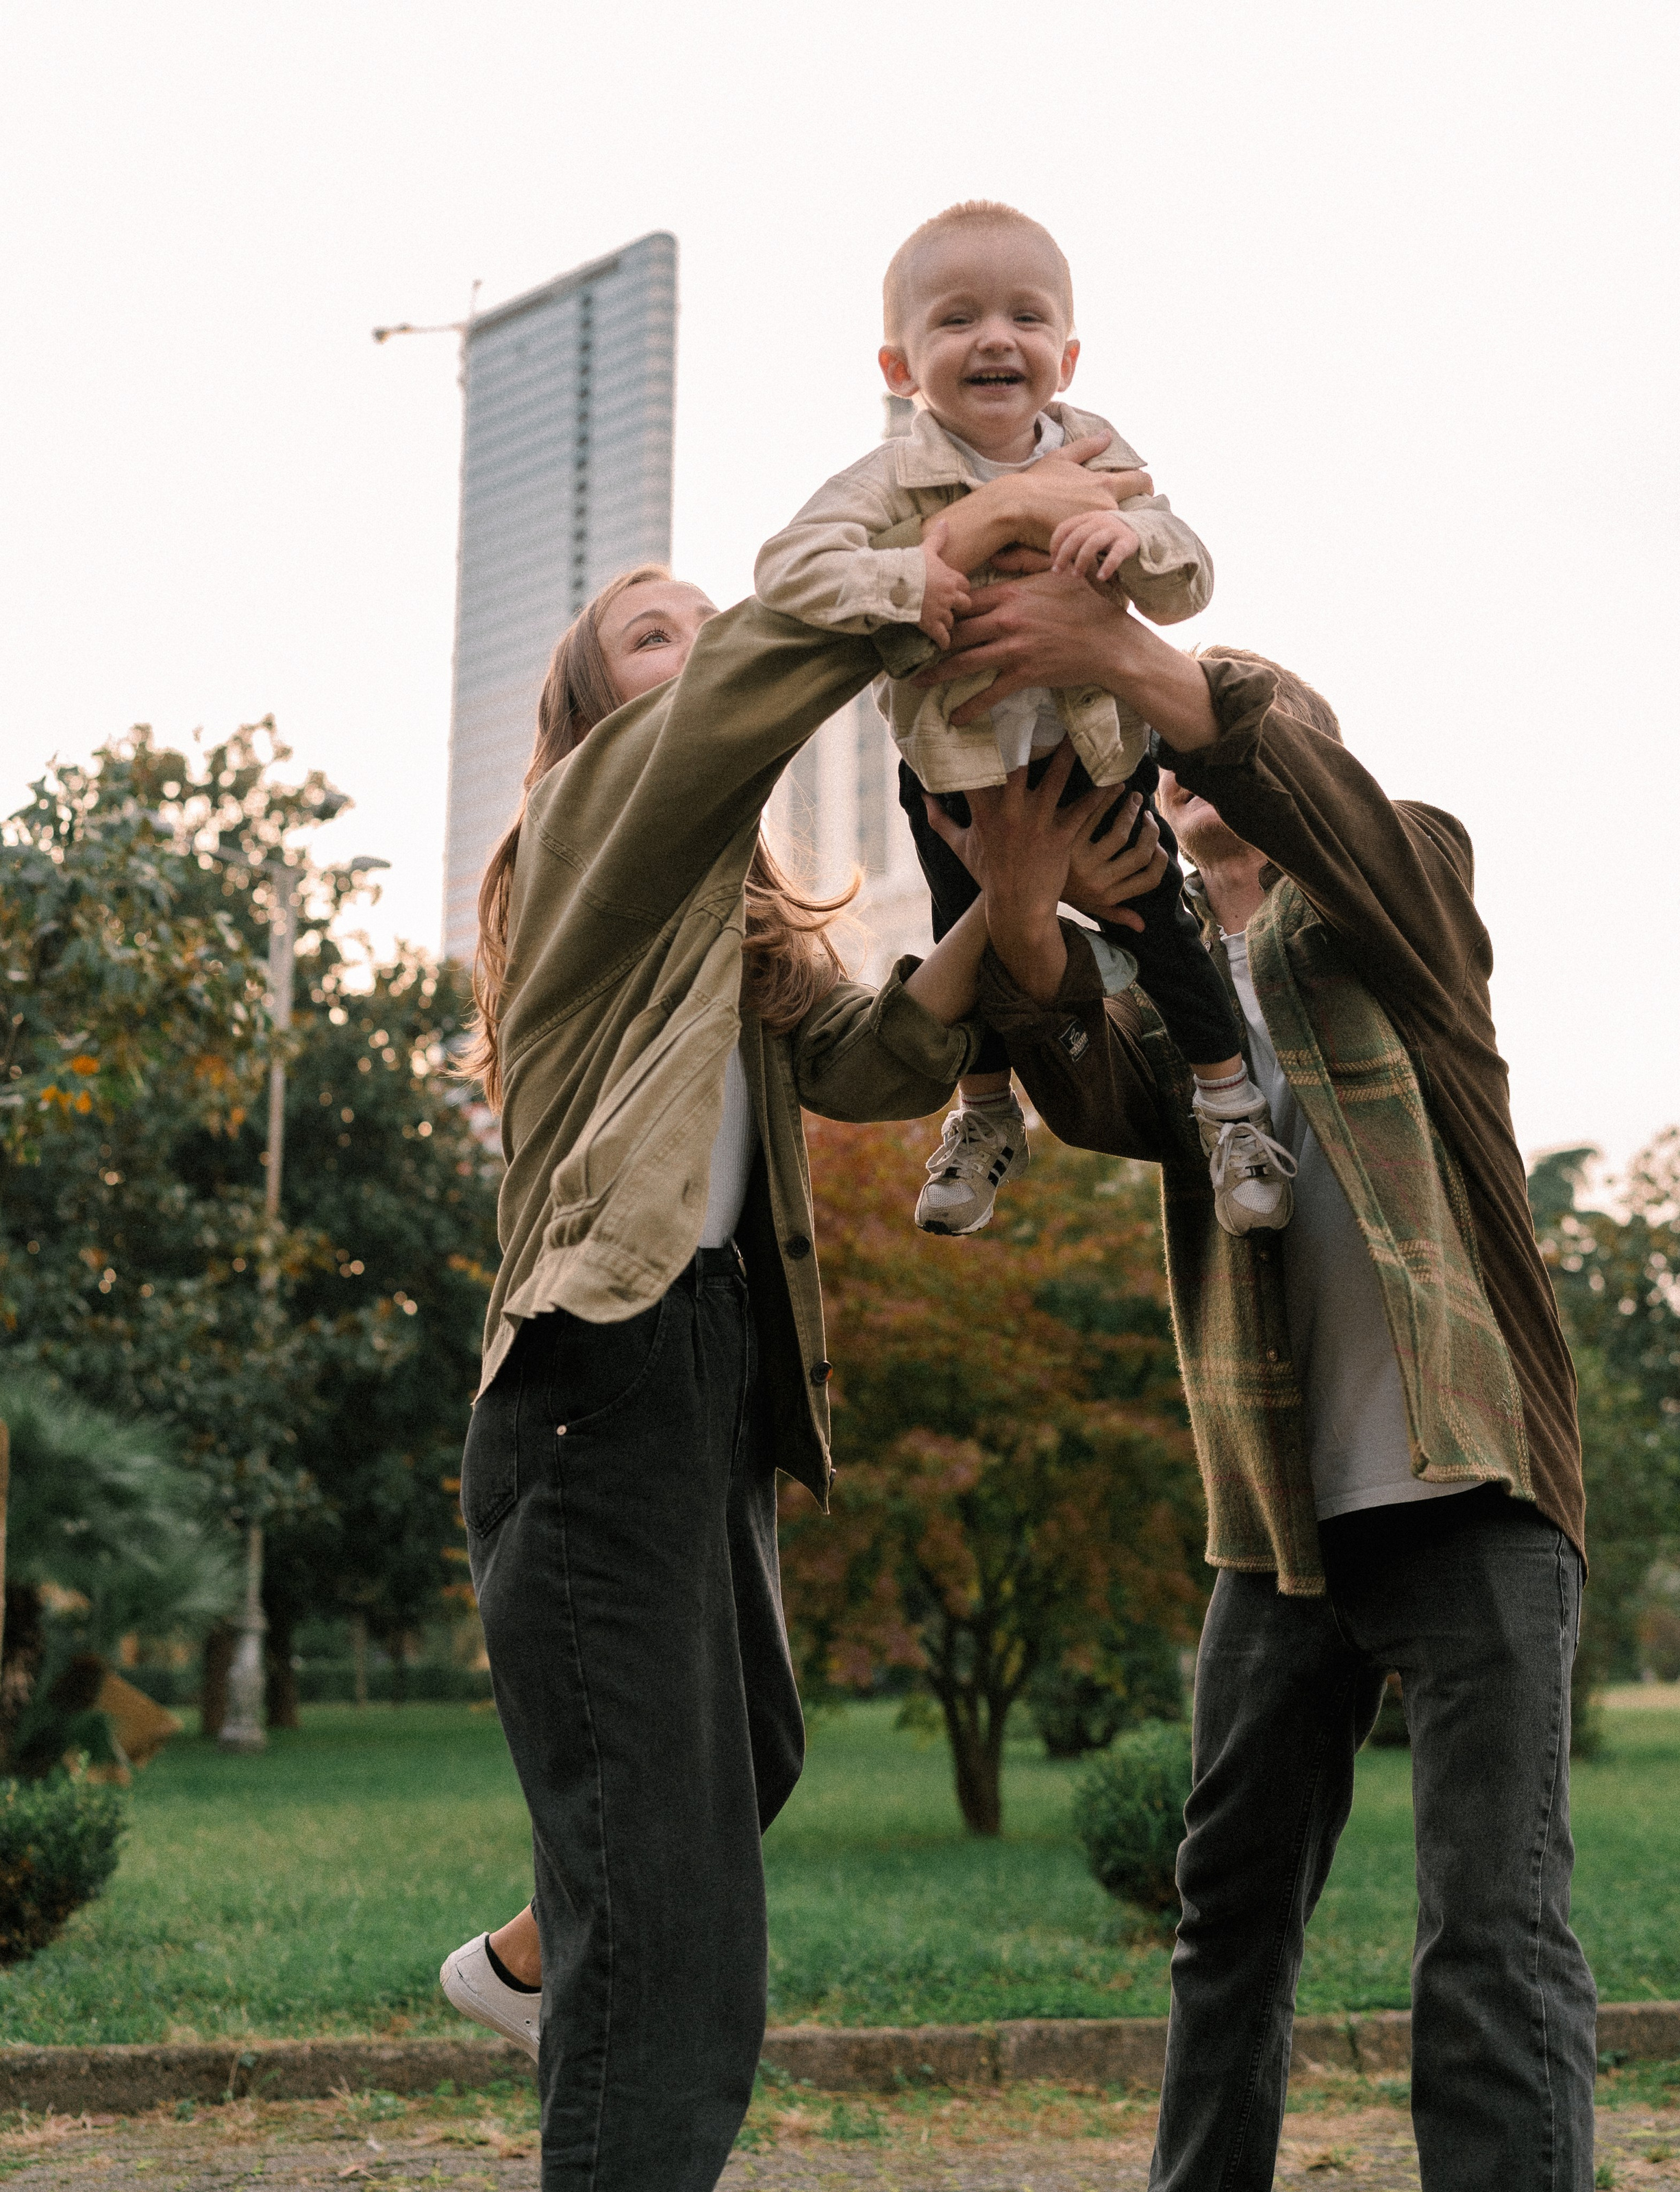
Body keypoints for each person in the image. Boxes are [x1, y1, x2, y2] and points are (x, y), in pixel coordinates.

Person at [438, 482, 1166, 2191]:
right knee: (682, 1931)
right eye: (650, 635)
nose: (692, 648)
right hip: (594, 1372)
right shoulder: (586, 830)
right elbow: (743, 686)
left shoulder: (727, 944)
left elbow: (866, 1064)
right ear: (589, 706)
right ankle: (611, 2000)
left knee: (735, 1766)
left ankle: (551, 1962)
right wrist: (932, 550)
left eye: (704, 625)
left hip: (706, 1374)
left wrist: (1010, 894)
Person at [929, 570, 1596, 2191]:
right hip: (1278, 1533)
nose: (1171, 759)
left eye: (1203, 726)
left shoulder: (1407, 893)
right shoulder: (1175, 989)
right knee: (1224, 1913)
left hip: (1473, 1492)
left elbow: (1325, 819)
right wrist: (1034, 921)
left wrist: (1153, 673)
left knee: (1487, 1931)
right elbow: (1086, 1084)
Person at [755, 200, 1290, 1241]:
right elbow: (785, 570)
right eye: (957, 321)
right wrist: (907, 577)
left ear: (1067, 355)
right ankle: (983, 1116)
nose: (997, 338)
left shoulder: (1100, 457)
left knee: (1154, 920)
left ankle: (1230, 1110)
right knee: (969, 927)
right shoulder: (886, 479)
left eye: (1027, 318)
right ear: (899, 367)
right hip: (953, 764)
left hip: (1092, 753)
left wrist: (1125, 540)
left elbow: (1189, 580)